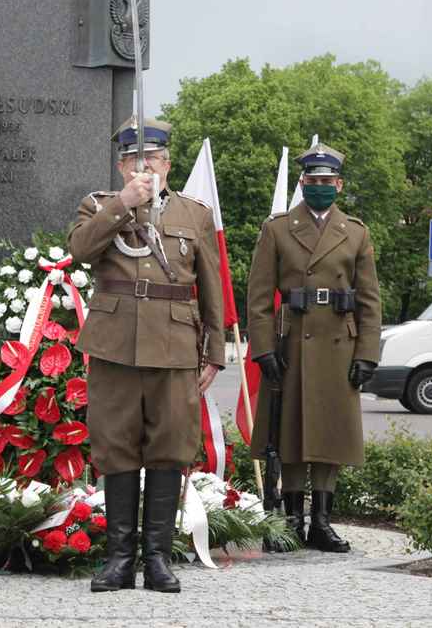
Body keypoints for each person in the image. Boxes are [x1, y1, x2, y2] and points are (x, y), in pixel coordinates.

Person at [68, 117, 225, 593]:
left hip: (175, 346)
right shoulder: (98, 205)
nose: (145, 168)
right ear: (121, 167)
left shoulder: (193, 214)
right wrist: (124, 205)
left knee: (169, 448)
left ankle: (156, 558)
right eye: (135, 162)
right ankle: (118, 559)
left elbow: (211, 286)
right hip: (115, 345)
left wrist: (213, 351)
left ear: (167, 163)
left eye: (153, 160)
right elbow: (79, 250)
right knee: (115, 447)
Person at [246, 141, 381, 553]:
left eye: (326, 181)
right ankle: (290, 521)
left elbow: (369, 298)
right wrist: (264, 348)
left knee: (330, 433)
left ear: (338, 185)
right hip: (292, 342)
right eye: (312, 181)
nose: (319, 187)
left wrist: (368, 354)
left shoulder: (355, 232)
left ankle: (321, 522)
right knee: (288, 431)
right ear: (302, 183)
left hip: (340, 343)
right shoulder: (278, 228)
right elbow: (258, 296)